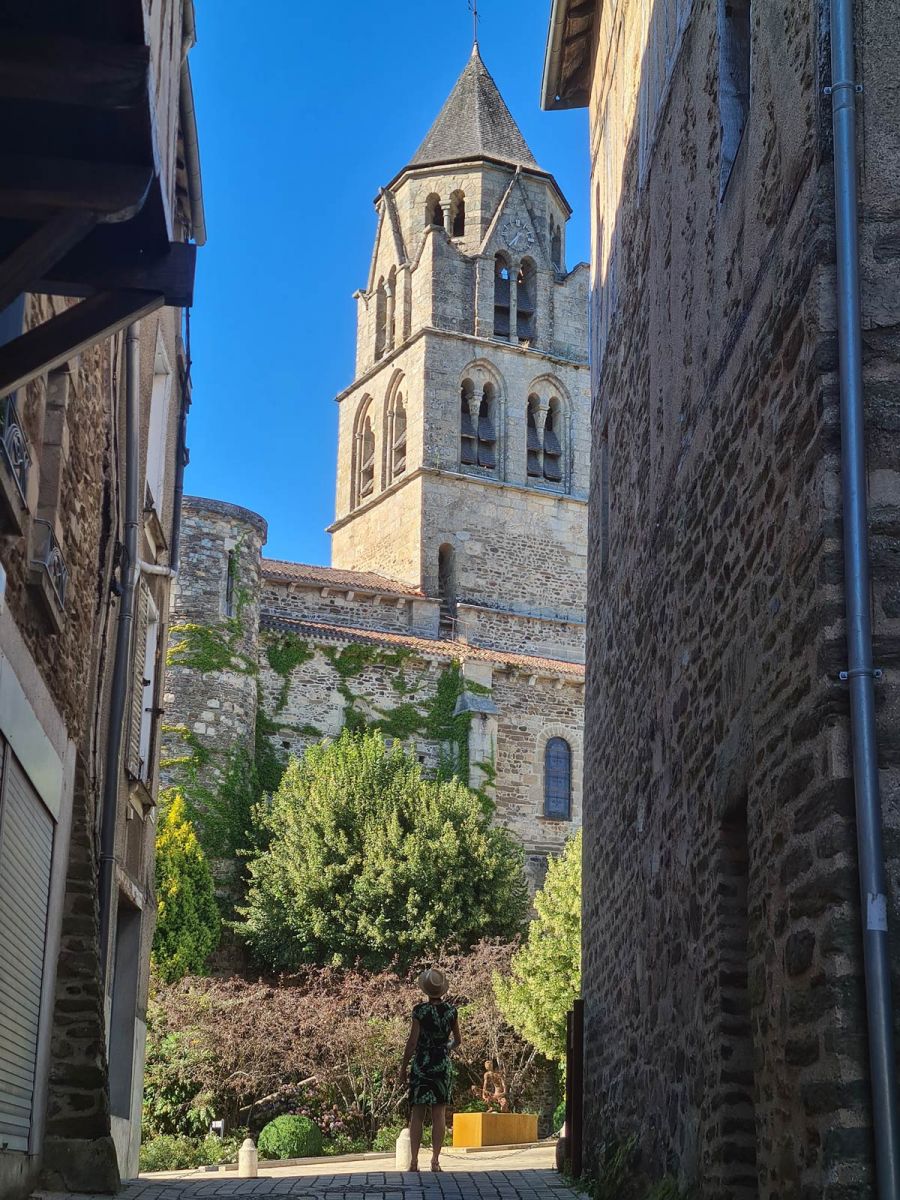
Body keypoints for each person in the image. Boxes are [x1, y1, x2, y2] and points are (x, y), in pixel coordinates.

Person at [401, 967, 461, 1172]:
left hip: (422, 1063)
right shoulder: (452, 1012)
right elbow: (458, 1041)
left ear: (426, 991)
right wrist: (445, 1048)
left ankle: (414, 1161)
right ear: (442, 990)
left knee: (417, 1113)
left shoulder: (419, 1011)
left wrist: (403, 1068)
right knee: (439, 1114)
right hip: (442, 1064)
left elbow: (412, 1042)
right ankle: (435, 1161)